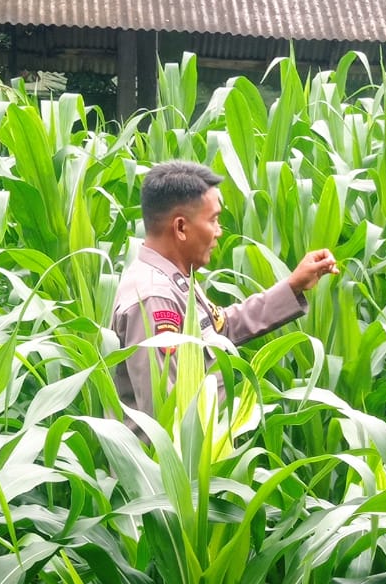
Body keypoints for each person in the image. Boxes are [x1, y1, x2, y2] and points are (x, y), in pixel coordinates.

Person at [112, 160, 338, 416]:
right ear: (181, 227)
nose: (219, 232)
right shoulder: (154, 298)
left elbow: (221, 327)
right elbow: (167, 417)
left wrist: (293, 285)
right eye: (214, 220)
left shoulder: (174, 280)